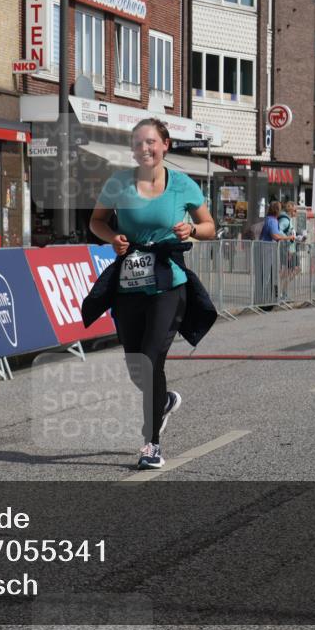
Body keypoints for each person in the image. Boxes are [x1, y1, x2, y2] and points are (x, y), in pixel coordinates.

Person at [85, 118, 215, 470]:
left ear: (165, 146)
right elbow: (96, 221)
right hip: (129, 286)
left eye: (152, 142)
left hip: (168, 283)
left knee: (152, 356)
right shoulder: (117, 183)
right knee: (136, 366)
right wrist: (111, 237)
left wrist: (192, 228)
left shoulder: (182, 185)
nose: (145, 148)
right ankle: (164, 400)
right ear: (133, 150)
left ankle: (151, 444)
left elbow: (210, 227)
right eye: (139, 143)